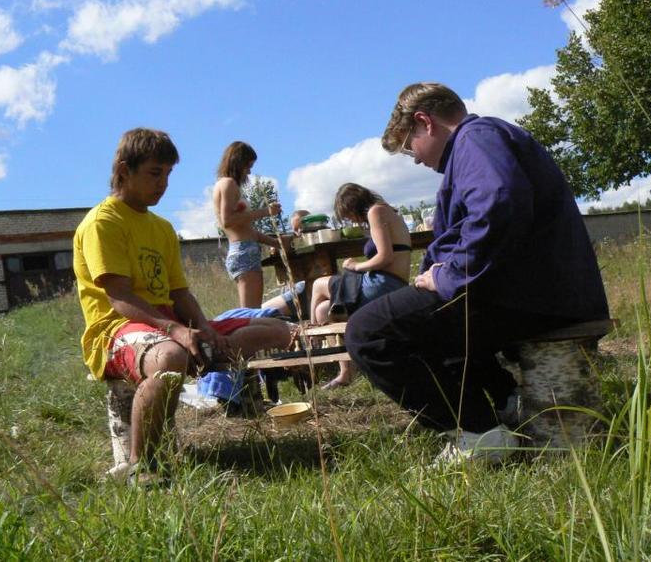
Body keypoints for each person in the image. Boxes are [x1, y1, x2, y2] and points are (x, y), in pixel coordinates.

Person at [344, 83, 609, 464]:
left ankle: (477, 432)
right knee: (423, 325)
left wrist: (447, 277)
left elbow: (500, 204)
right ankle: (506, 408)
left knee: (369, 332)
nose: (415, 160)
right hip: (539, 292)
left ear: (425, 122)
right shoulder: (481, 142)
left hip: (532, 297)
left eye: (408, 146)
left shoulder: (475, 139)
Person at [74, 128, 292, 486]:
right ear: (125, 170)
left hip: (167, 326)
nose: (163, 184)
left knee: (275, 329)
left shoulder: (161, 227)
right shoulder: (103, 222)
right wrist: (175, 330)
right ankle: (142, 468)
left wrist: (203, 328)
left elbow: (180, 293)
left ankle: (204, 364)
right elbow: (120, 297)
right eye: (154, 173)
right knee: (171, 358)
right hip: (116, 329)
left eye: (168, 175)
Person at [310, 183, 412, 389]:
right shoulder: (386, 211)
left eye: (348, 215)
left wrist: (356, 266)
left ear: (353, 206)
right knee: (323, 310)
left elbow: (385, 257)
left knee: (318, 285)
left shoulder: (376, 212)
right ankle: (345, 373)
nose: (351, 221)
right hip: (387, 282)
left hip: (385, 283)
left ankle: (311, 341)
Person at [213, 141, 282, 308]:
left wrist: (277, 243)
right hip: (243, 251)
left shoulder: (228, 185)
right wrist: (266, 212)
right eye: (248, 166)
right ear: (238, 163)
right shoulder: (228, 184)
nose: (249, 171)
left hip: (244, 249)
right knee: (251, 313)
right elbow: (227, 221)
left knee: (252, 311)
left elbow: (246, 230)